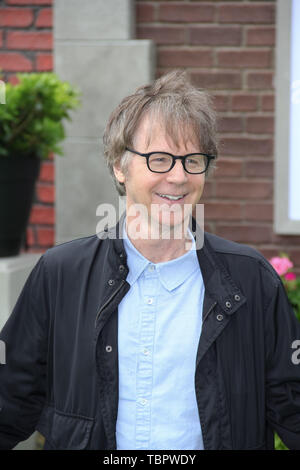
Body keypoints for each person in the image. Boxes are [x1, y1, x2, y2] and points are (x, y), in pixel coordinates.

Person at [0, 70, 300, 451]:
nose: (178, 176)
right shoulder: (62, 274)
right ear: (119, 167)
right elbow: (10, 400)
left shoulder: (251, 280)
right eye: (159, 159)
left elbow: (292, 407)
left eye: (193, 160)